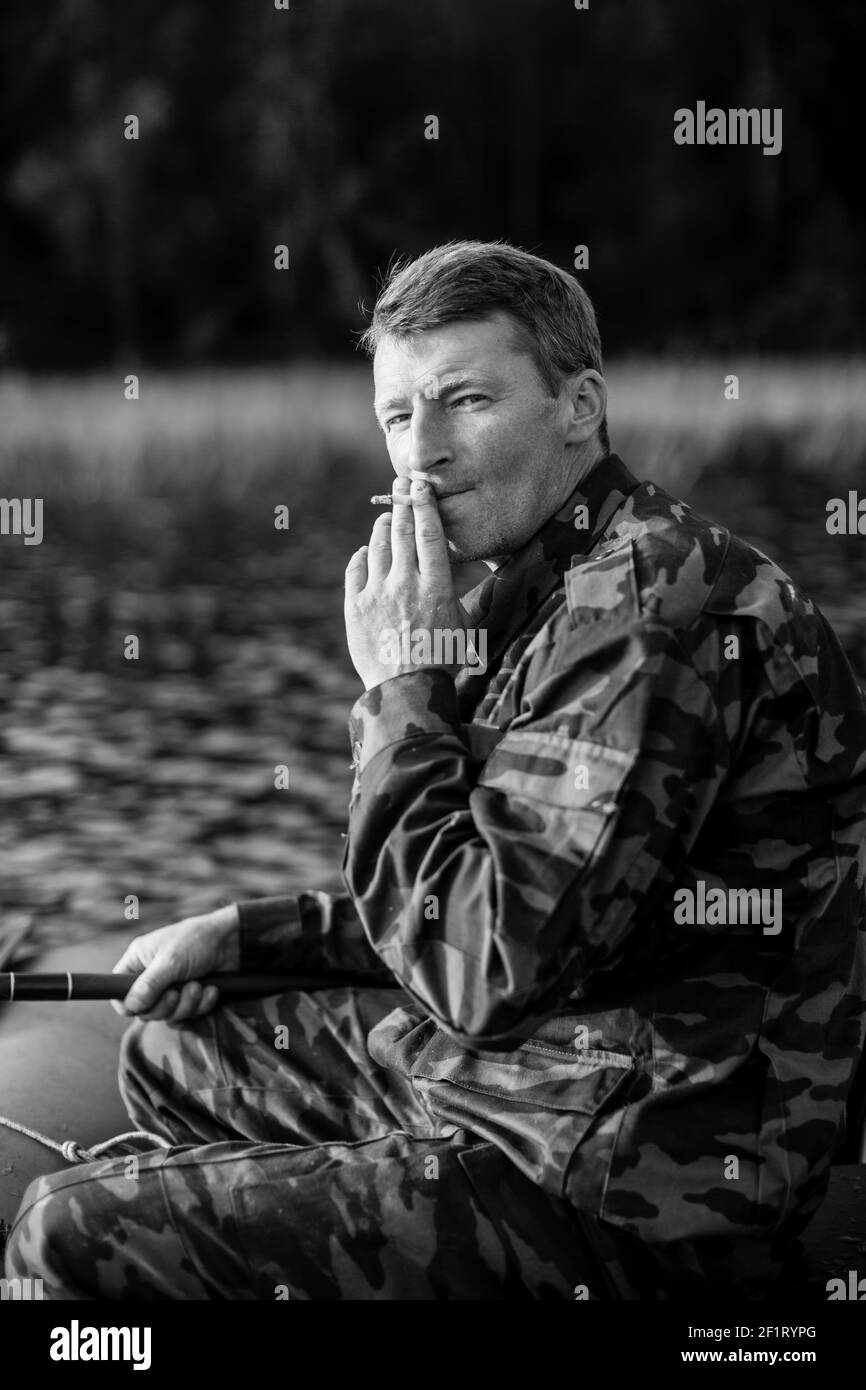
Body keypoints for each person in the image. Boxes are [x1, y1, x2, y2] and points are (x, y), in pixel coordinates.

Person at [5, 240, 866, 1300]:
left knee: (63, 1234)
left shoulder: (646, 614)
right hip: (540, 1072)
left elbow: (485, 968)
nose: (421, 453)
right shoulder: (533, 587)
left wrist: (402, 689)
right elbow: (492, 877)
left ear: (578, 405)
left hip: (624, 1176)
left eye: (464, 400)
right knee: (174, 1047)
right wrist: (256, 932)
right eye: (397, 416)